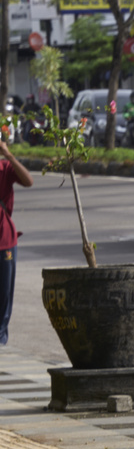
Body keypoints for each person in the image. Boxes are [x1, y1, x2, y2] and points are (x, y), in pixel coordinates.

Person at [0, 137, 35, 345]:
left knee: (3, 297)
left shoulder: (5, 168)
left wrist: (9, 155)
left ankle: (1, 343)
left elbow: (29, 181)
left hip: (4, 241)